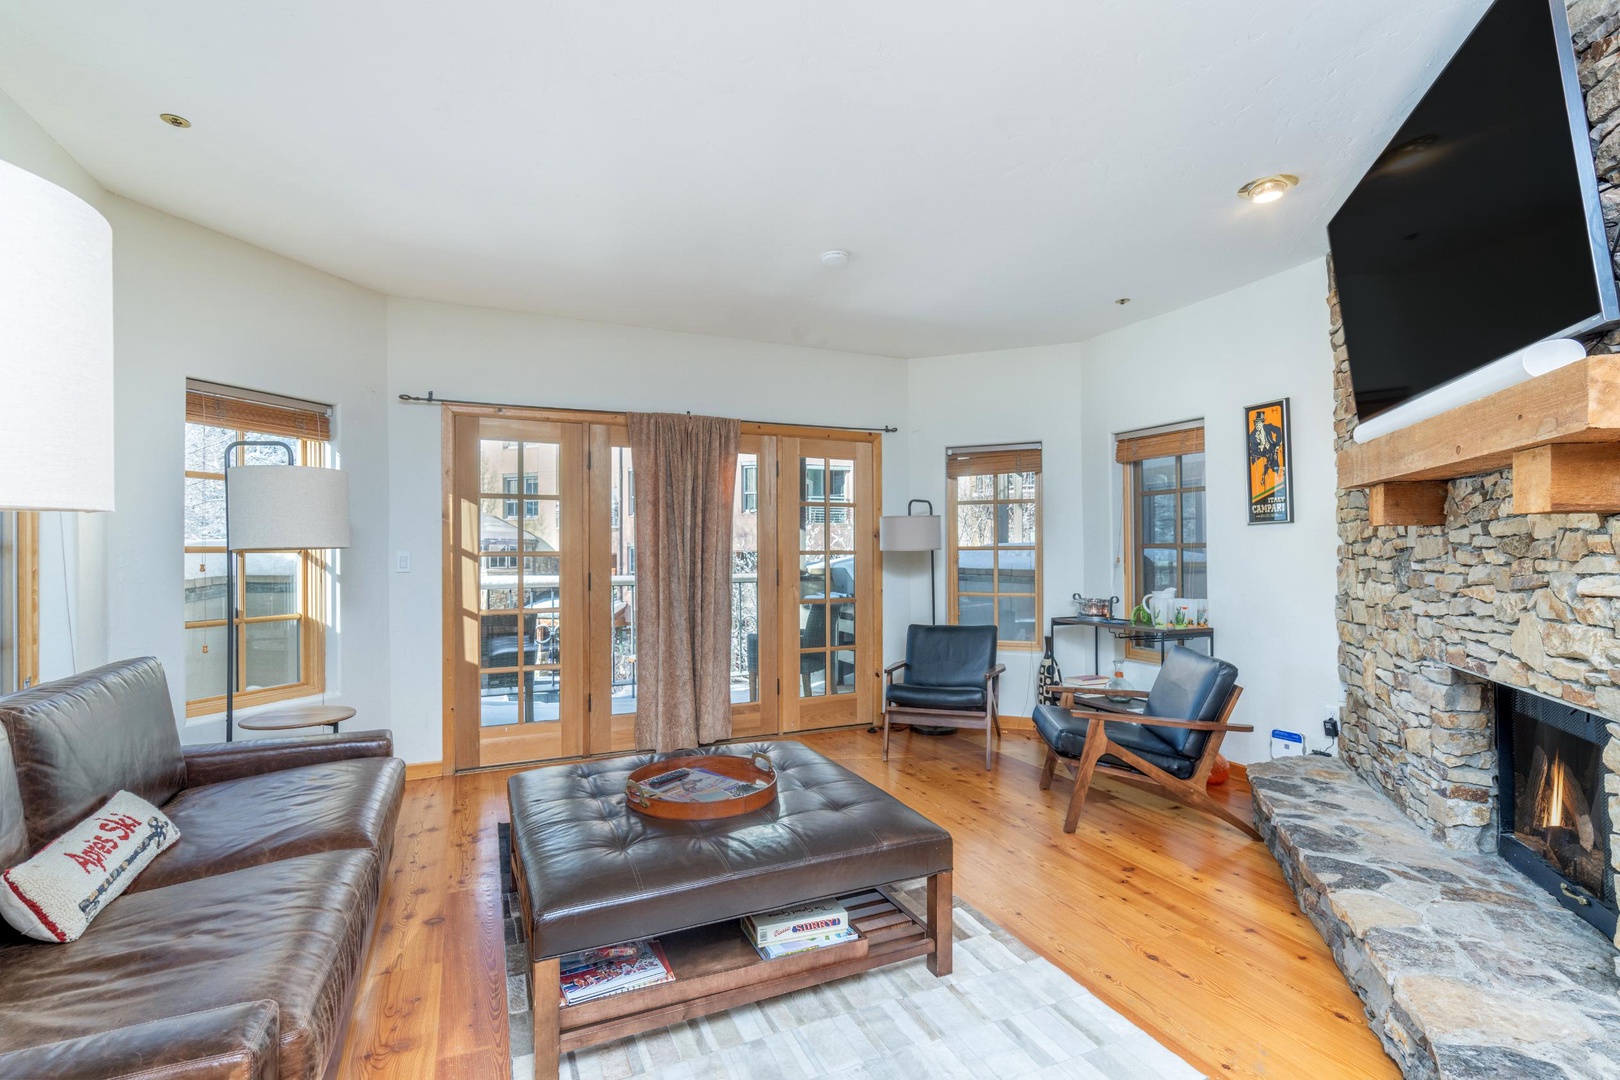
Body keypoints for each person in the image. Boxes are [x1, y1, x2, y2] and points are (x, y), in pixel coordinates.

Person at [1249, 409, 1285, 487]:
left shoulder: (1268, 427)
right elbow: (1252, 449)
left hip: (1271, 450)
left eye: (1259, 423)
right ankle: (1264, 475)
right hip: (1261, 453)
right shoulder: (1253, 434)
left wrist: (1277, 444)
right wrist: (1259, 446)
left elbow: (1278, 430)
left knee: (1275, 462)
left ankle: (1279, 481)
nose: (1257, 425)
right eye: (1256, 424)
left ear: (1262, 423)